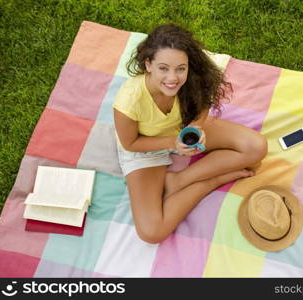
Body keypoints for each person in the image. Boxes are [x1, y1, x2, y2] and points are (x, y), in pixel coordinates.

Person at [113, 24, 267, 244]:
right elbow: (130, 143)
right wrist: (173, 143)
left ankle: (179, 180)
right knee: (151, 232)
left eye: (180, 69)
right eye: (163, 68)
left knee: (257, 147)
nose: (173, 78)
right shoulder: (128, 100)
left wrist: (195, 127)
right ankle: (210, 182)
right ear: (148, 64)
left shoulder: (190, 78)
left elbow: (203, 104)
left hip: (183, 131)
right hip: (146, 148)